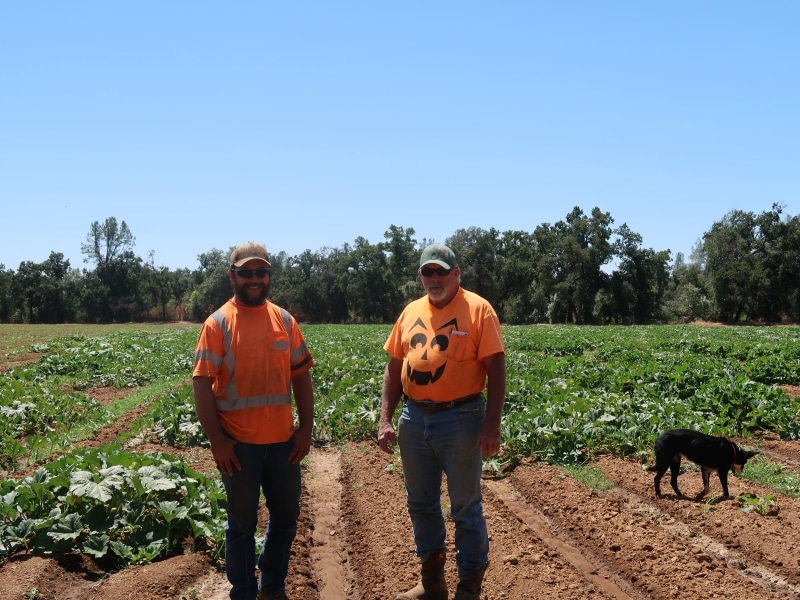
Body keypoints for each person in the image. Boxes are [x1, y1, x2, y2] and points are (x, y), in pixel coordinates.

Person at [378, 243, 506, 600]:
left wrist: (491, 423)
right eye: (428, 272)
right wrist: (385, 419)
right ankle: (432, 583)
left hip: (461, 417)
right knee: (420, 503)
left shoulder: (478, 310)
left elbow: (496, 369)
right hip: (414, 418)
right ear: (421, 276)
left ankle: (469, 588)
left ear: (456, 274)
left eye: (441, 272)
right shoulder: (410, 312)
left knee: (465, 505)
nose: (435, 279)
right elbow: (393, 368)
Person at [192, 242, 315, 600]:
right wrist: (217, 439)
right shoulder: (217, 323)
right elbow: (201, 383)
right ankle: (243, 591)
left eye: (261, 272)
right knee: (242, 525)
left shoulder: (284, 320)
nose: (255, 279)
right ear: (233, 276)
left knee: (286, 518)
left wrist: (305, 429)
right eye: (246, 272)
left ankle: (272, 588)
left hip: (282, 445)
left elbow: (301, 376)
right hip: (239, 445)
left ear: (268, 276)